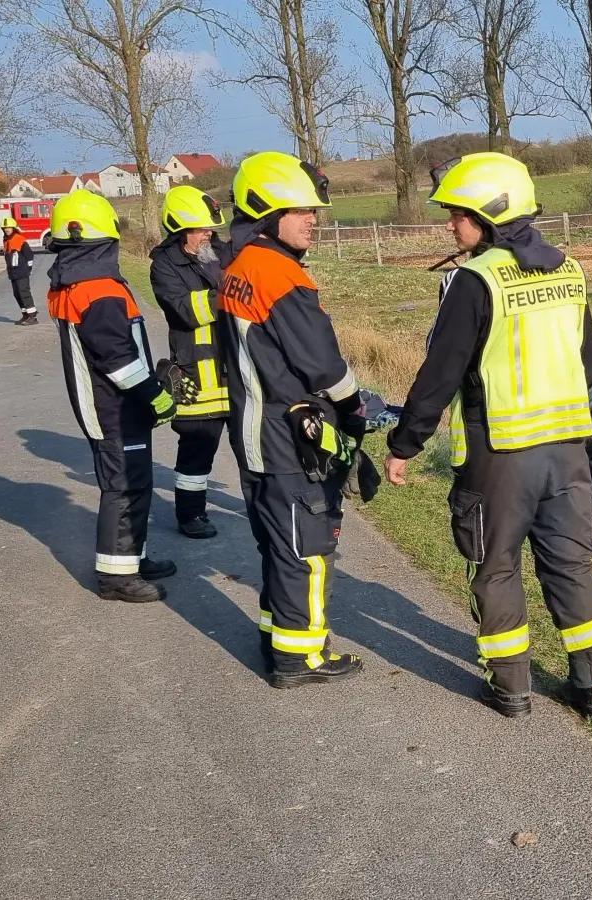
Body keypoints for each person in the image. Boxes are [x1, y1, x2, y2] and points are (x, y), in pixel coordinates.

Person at [383, 152, 592, 720]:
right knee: (570, 565)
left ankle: (512, 689)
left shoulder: (476, 279)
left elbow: (440, 372)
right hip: (568, 452)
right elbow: (587, 364)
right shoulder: (570, 270)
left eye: (458, 214)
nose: (449, 225)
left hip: (500, 454)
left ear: (490, 216)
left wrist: (403, 444)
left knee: (496, 566)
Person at [218, 151, 365, 689]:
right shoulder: (280, 274)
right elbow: (323, 366)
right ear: (266, 212)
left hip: (255, 436)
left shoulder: (237, 268)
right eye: (301, 210)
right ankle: (300, 659)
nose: (313, 220)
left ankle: (275, 635)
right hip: (289, 441)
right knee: (308, 550)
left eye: (315, 211)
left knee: (278, 545)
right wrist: (355, 409)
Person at [45, 189, 179, 603]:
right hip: (114, 410)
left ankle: (131, 558)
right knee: (123, 488)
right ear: (104, 240)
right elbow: (118, 359)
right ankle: (117, 579)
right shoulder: (97, 288)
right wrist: (154, 395)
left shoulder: (73, 283)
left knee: (135, 484)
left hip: (112, 406)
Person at [150, 186, 230, 538]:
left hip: (236, 368)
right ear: (180, 228)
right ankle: (190, 515)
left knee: (253, 447)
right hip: (198, 373)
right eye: (200, 229)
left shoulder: (221, 252)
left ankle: (262, 508)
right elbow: (185, 310)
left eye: (209, 227)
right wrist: (232, 293)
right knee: (196, 450)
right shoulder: (164, 266)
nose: (208, 234)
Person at [1, 216, 38, 325]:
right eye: (4, 228)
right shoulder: (6, 240)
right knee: (17, 294)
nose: (6, 229)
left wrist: (29, 268)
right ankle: (25, 315)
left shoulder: (19, 238)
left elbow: (29, 254)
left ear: (13, 228)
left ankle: (33, 316)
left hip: (22, 271)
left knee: (24, 293)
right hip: (13, 272)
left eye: (8, 227)